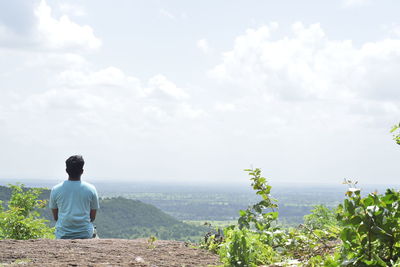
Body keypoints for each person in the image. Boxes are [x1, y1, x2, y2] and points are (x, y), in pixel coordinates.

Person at [49, 155, 100, 239]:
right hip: (85, 234)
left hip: (63, 234)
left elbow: (56, 217)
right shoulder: (91, 189)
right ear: (82, 171)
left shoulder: (56, 189)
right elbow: (92, 217)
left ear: (66, 170)